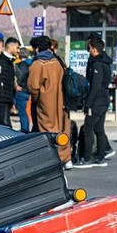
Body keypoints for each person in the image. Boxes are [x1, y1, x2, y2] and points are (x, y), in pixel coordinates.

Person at [27, 36, 72, 167]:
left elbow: (33, 86)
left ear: (36, 48)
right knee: (63, 129)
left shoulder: (38, 63)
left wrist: (36, 99)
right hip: (63, 101)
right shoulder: (59, 61)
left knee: (47, 131)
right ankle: (66, 158)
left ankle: (51, 160)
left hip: (46, 103)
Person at [74, 36, 112, 168]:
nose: (88, 50)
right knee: (99, 129)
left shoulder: (97, 65)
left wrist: (88, 104)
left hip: (97, 101)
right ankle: (100, 157)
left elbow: (94, 86)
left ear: (94, 49)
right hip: (104, 99)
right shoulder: (106, 63)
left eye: (89, 48)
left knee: (88, 129)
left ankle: (86, 158)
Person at [14, 48, 32, 132]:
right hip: (32, 91)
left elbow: (17, 78)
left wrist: (16, 86)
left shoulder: (18, 66)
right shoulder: (34, 64)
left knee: (23, 113)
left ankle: (25, 129)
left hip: (21, 91)